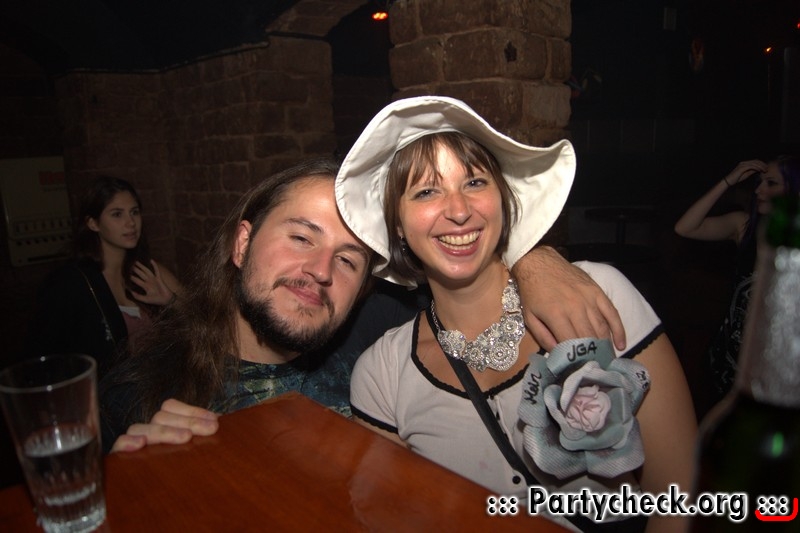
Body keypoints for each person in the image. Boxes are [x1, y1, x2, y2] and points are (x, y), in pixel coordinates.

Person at [337, 97, 697, 532]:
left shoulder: (597, 294)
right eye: (426, 191)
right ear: (396, 223)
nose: (458, 211)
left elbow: (678, 498)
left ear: (502, 199)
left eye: (474, 182)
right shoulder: (382, 374)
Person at [105, 155, 628, 453]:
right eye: (301, 237)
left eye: (348, 259)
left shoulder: (380, 336)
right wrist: (144, 488)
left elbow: (460, 267)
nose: (321, 271)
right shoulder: (138, 394)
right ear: (242, 244)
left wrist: (533, 259)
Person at [25, 176, 183, 378]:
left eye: (134, 212)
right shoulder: (72, 282)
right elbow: (44, 357)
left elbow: (203, 318)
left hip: (158, 383)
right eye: (117, 214)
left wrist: (170, 301)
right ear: (93, 223)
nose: (130, 223)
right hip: (107, 391)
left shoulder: (148, 271)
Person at [674, 156, 800, 401]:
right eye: (759, 182)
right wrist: (728, 181)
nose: (759, 190)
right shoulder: (744, 225)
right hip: (731, 353)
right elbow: (685, 227)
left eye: (771, 183)